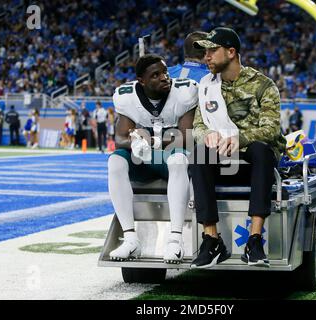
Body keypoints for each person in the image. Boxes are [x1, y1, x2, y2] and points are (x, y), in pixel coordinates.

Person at [190, 27, 286, 268]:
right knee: (198, 154)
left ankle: (254, 240)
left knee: (262, 150)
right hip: (223, 161)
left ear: (231, 52)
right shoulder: (206, 85)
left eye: (213, 50)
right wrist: (208, 135)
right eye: (205, 52)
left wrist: (240, 139)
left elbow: (272, 128)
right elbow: (198, 125)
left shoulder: (263, 84)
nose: (206, 57)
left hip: (255, 162)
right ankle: (211, 239)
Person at [108, 54, 198, 264]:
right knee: (115, 162)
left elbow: (187, 137)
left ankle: (175, 240)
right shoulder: (127, 96)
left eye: (164, 72)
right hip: (144, 161)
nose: (164, 77)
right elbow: (120, 137)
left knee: (178, 161)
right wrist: (135, 143)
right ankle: (130, 239)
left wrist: (152, 141)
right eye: (155, 75)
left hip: (172, 159)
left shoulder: (184, 92)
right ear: (142, 81)